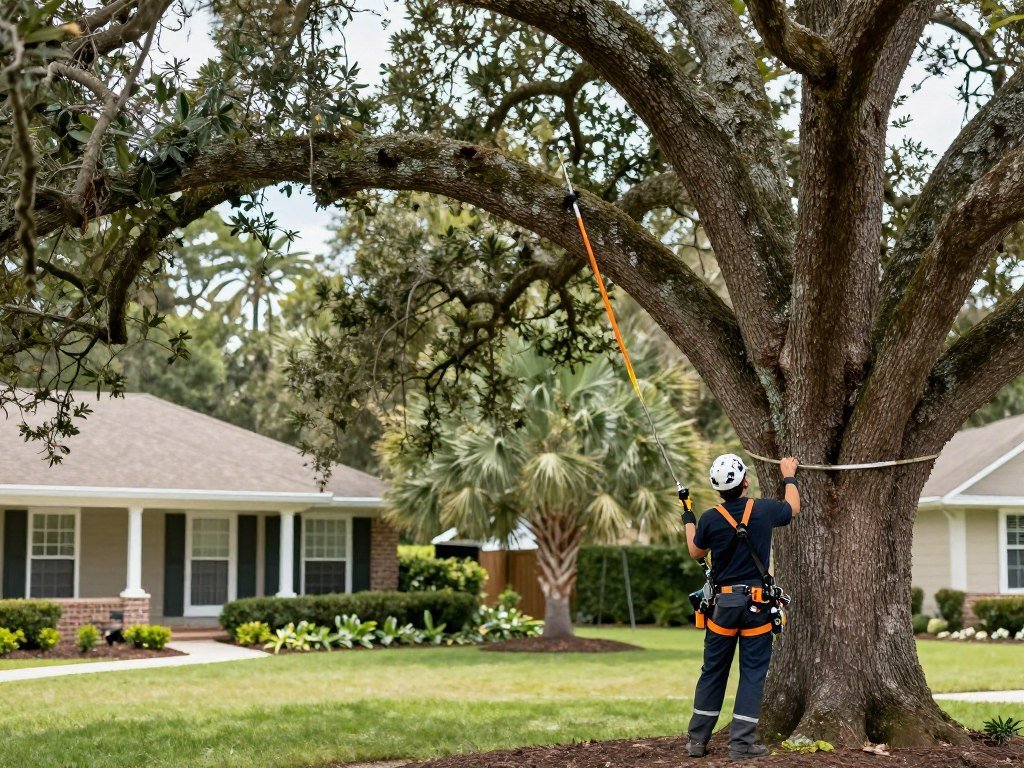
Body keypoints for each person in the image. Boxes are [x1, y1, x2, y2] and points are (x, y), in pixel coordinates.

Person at [680, 453, 800, 761]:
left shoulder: (709, 518)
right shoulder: (761, 510)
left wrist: (688, 517)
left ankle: (697, 741)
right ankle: (742, 744)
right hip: (757, 607)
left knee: (713, 672)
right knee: (752, 673)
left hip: (723, 607)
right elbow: (792, 508)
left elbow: (695, 550)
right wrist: (789, 475)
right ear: (745, 481)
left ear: (718, 489)